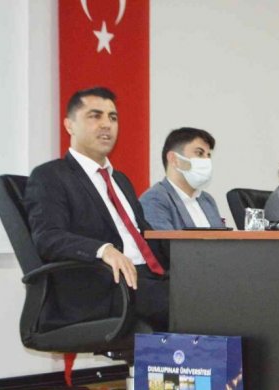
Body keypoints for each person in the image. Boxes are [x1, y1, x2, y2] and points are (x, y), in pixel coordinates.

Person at [23, 87, 169, 331]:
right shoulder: (50, 176)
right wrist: (102, 250)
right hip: (106, 284)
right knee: (193, 304)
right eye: (95, 116)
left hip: (148, 277)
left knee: (215, 290)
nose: (106, 124)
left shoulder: (120, 180)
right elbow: (48, 237)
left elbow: (145, 235)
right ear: (69, 125)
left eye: (112, 117)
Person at [140, 127, 225, 229]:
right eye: (199, 153)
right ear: (174, 159)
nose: (206, 160)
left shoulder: (207, 200)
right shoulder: (155, 199)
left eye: (208, 155)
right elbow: (165, 239)